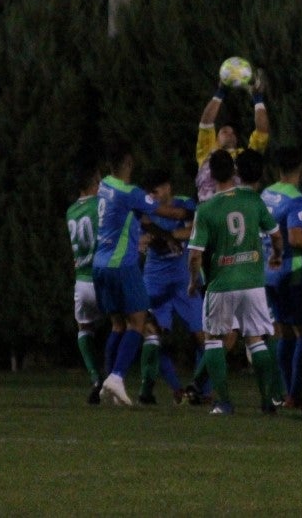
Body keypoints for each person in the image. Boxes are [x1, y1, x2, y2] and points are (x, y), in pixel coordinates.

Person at [187, 149, 283, 415]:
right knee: (256, 339)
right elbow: (275, 235)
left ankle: (223, 402)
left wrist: (193, 282)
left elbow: (195, 256)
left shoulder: (205, 209)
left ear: (211, 175)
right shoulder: (253, 200)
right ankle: (268, 401)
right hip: (252, 281)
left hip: (222, 282)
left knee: (214, 339)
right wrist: (277, 256)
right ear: (234, 171)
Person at [92, 139, 187, 406]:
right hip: (122, 265)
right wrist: (195, 210)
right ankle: (117, 377)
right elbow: (163, 210)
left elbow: (142, 219)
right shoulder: (129, 192)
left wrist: (165, 235)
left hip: (100, 265)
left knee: (118, 324)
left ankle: (106, 381)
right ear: (129, 163)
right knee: (139, 321)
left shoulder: (105, 187)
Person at [261, 146, 302, 411]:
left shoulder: (268, 193)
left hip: (270, 272)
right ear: (301, 168)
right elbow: (295, 238)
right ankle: (294, 396)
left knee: (285, 333)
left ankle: (285, 393)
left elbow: (277, 224)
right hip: (294, 272)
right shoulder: (297, 199)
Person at [137, 168, 199, 405]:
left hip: (184, 279)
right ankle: (167, 389)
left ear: (167, 188)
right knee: (152, 335)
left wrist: (168, 235)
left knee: (204, 335)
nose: (153, 195)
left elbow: (195, 228)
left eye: (157, 189)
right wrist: (151, 240)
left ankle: (200, 389)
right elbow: (140, 237)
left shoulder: (184, 204)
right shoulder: (145, 209)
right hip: (154, 279)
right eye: (150, 192)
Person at [194, 67, 269, 203]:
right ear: (216, 138)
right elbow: (206, 122)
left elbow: (262, 131)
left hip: (239, 213)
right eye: (224, 131)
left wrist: (258, 99)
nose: (230, 134)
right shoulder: (207, 152)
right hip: (210, 213)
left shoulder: (245, 158)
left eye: (233, 133)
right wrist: (220, 92)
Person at [66, 159, 104, 404]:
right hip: (101, 276)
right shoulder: (101, 204)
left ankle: (95, 377)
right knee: (128, 324)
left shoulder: (70, 211)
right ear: (96, 183)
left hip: (81, 280)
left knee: (84, 327)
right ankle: (117, 377)